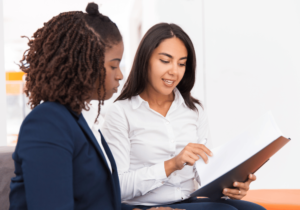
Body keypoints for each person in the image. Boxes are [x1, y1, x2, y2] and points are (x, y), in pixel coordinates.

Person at [9, 3, 177, 210]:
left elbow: (97, 202)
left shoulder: (79, 121)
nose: (120, 75)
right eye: (113, 65)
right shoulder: (48, 123)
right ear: (84, 63)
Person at [101, 23, 266, 210]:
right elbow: (117, 186)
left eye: (181, 63)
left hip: (189, 201)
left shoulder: (194, 110)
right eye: (165, 61)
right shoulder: (122, 112)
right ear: (145, 60)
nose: (174, 71)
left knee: (254, 209)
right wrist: (172, 164)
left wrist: (231, 185)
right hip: (145, 206)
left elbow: (205, 175)